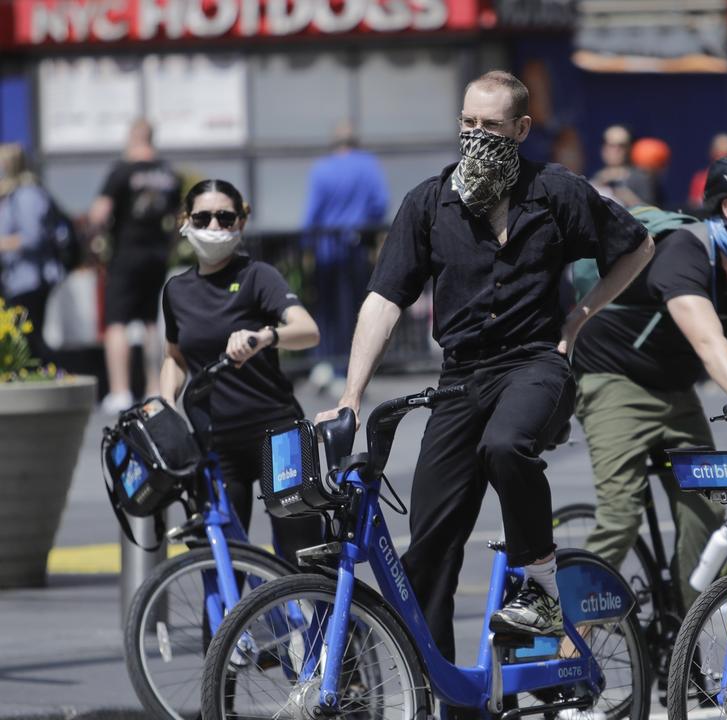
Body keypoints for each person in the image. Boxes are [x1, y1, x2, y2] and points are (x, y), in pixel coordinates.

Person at [315, 71, 654, 674]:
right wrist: (350, 395)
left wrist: (577, 320)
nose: (476, 136)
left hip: (533, 363)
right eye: (467, 124)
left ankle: (542, 590)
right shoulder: (428, 201)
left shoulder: (556, 191)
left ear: (521, 129)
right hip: (460, 379)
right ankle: (447, 698)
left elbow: (636, 247)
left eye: (491, 127)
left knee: (506, 445)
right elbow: (383, 299)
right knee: (427, 554)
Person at [572, 154, 727, 611]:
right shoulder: (685, 250)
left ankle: (692, 638)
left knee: (705, 513)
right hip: (615, 381)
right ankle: (567, 641)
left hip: (676, 391)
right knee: (620, 517)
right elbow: (709, 343)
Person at [159, 179, 325, 565]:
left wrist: (265, 336)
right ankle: (228, 629)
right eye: (203, 217)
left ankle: (326, 625)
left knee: (304, 553)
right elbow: (175, 357)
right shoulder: (176, 290)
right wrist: (166, 400)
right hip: (215, 440)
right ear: (185, 221)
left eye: (224, 217)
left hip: (276, 432)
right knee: (220, 560)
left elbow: (308, 330)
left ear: (240, 223)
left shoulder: (258, 276)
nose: (214, 226)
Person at [90, 119, 182, 413]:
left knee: (116, 323)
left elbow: (99, 214)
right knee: (150, 322)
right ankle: (154, 388)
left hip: (126, 255)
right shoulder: (168, 173)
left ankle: (120, 391)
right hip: (156, 256)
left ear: (132, 137)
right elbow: (179, 217)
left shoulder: (122, 171)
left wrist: (98, 238)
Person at [301, 121, 389, 391]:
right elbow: (380, 204)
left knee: (326, 310)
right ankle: (349, 367)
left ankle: (325, 364)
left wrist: (306, 245)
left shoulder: (322, 169)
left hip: (326, 249)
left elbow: (311, 214)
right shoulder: (369, 166)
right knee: (355, 310)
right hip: (357, 247)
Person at [0, 144, 64, 362]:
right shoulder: (12, 195)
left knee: (30, 338)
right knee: (26, 337)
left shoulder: (27, 194)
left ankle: (52, 376)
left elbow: (32, 237)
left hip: (30, 279)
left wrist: (3, 244)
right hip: (17, 279)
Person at [589, 125, 650, 208]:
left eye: (621, 145)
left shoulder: (640, 178)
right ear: (603, 148)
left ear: (629, 148)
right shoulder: (597, 177)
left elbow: (653, 213)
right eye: (611, 145)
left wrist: (627, 197)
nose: (616, 150)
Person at [686, 133, 727, 207]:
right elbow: (694, 206)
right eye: (719, 154)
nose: (723, 159)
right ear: (712, 153)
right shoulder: (700, 179)